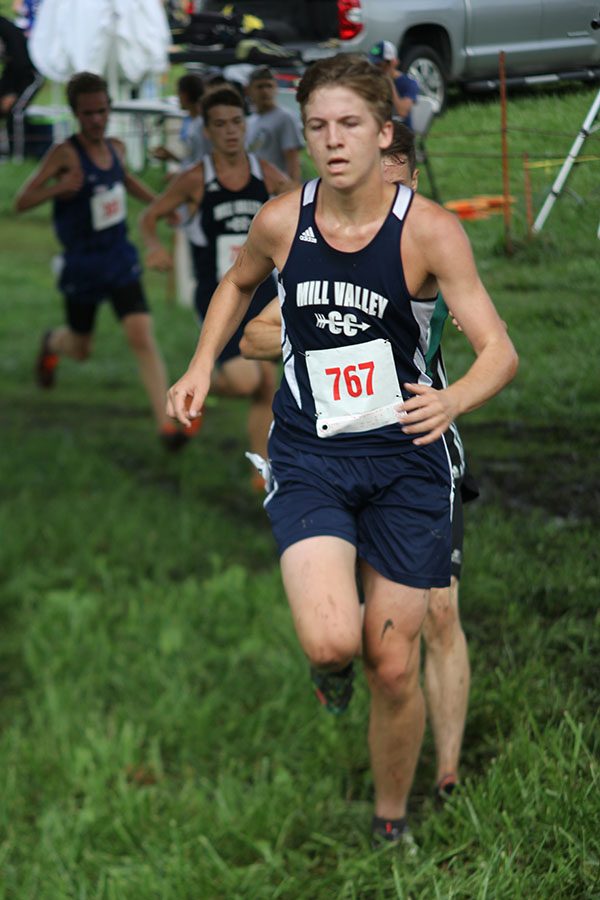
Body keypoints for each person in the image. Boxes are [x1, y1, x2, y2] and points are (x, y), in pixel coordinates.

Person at [165, 54, 517, 846]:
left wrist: (453, 399)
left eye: (350, 124)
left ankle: (390, 818)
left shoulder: (429, 232)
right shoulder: (283, 218)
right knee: (333, 640)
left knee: (394, 665)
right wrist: (197, 365)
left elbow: (500, 349)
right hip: (310, 453)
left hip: (406, 462)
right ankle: (329, 673)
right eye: (318, 125)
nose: (333, 140)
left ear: (384, 130)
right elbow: (235, 284)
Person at [239, 121, 477, 802]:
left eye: (397, 190)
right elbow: (254, 332)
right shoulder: (315, 241)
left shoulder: (429, 241)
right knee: (357, 638)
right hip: (329, 454)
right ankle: (338, 671)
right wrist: (319, 329)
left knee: (438, 613)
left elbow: (488, 337)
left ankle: (449, 772)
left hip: (418, 449)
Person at [14, 71, 193, 450]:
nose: (97, 119)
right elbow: (21, 201)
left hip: (117, 256)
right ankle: (53, 342)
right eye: (88, 113)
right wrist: (59, 188)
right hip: (82, 263)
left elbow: (124, 180)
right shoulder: (64, 153)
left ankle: (166, 425)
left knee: (141, 334)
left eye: (102, 111)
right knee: (81, 349)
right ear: (76, 114)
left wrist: (161, 207)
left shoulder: (115, 147)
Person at [140, 85, 292, 464]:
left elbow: (304, 205)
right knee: (249, 380)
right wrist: (155, 246)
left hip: (262, 292)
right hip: (217, 293)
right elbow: (150, 216)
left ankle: (263, 470)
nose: (230, 131)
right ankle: (194, 387)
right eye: (220, 124)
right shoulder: (195, 178)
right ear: (206, 131)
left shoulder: (265, 174)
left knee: (266, 385)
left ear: (247, 125)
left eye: (236, 122)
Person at [245, 66, 305, 183]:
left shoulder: (284, 117)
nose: (265, 91)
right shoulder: (249, 121)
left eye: (269, 86)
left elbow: (293, 160)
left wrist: (293, 193)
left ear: (276, 88)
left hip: (279, 190)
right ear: (248, 90)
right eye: (259, 87)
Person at [151, 73, 208, 169]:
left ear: (185, 95)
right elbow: (193, 160)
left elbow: (201, 164)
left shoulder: (201, 125)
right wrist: (171, 157)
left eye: (178, 93)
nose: (178, 98)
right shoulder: (193, 121)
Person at [368, 40, 419, 130]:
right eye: (374, 64)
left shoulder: (409, 83)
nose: (376, 68)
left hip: (401, 132)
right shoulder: (373, 82)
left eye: (379, 64)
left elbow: (402, 112)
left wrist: (389, 81)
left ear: (392, 63)